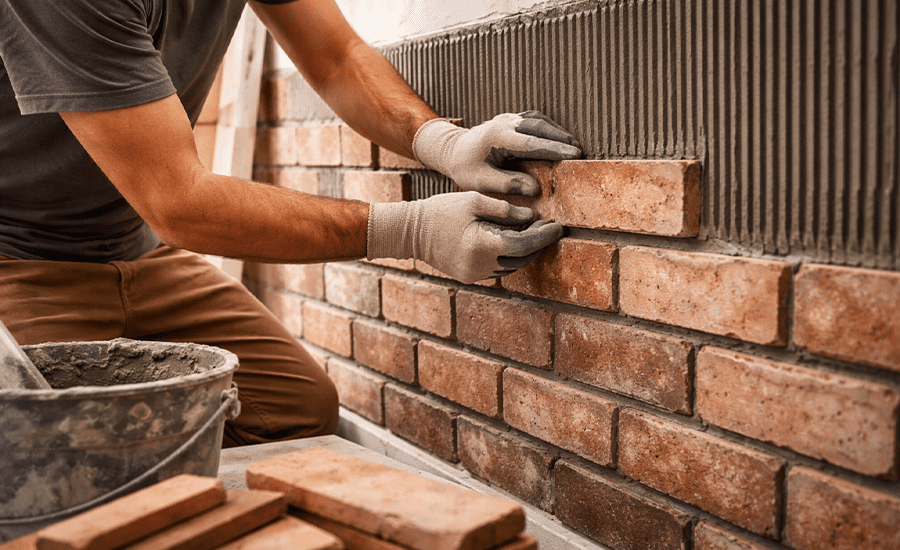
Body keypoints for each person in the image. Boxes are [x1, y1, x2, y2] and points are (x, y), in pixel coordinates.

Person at [0, 0, 581, 446]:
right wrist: (411, 231)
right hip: (16, 261)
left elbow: (336, 55)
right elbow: (177, 201)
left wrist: (441, 141)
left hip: (136, 249)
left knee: (293, 411)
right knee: (53, 455)